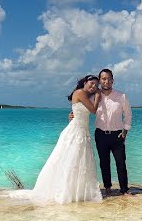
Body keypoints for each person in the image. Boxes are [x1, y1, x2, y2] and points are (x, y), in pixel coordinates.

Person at [6, 75, 103, 204]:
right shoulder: (80, 92)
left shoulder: (85, 95)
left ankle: (75, 191)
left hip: (81, 130)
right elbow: (93, 110)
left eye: (96, 85)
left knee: (77, 161)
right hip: (76, 131)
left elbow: (78, 111)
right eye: (92, 83)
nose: (94, 87)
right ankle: (66, 191)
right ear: (85, 82)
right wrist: (97, 96)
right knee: (72, 160)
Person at [70, 68, 132, 196]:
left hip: (117, 135)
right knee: (104, 163)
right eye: (103, 79)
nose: (106, 81)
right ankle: (108, 188)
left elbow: (128, 114)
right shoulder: (93, 96)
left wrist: (125, 131)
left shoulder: (121, 96)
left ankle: (124, 190)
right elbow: (80, 107)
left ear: (112, 80)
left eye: (109, 78)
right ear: (100, 81)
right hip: (100, 134)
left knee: (121, 163)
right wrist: (71, 115)